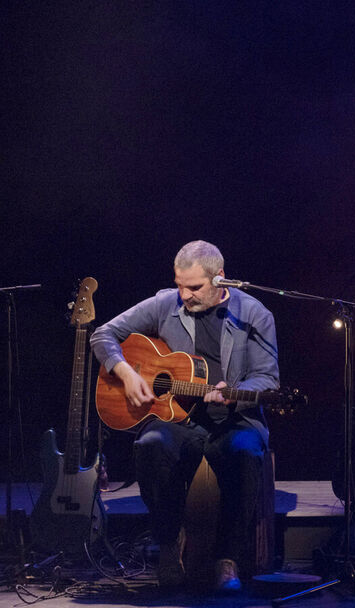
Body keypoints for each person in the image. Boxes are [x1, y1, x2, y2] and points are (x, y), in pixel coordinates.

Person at [90, 240, 279, 592]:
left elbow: (267, 379)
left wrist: (233, 393)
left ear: (220, 278)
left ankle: (227, 559)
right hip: (178, 417)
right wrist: (126, 373)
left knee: (245, 452)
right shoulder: (167, 303)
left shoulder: (254, 314)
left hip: (233, 419)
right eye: (179, 285)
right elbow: (103, 334)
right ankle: (167, 543)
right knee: (150, 446)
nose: (184, 295)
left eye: (194, 287)